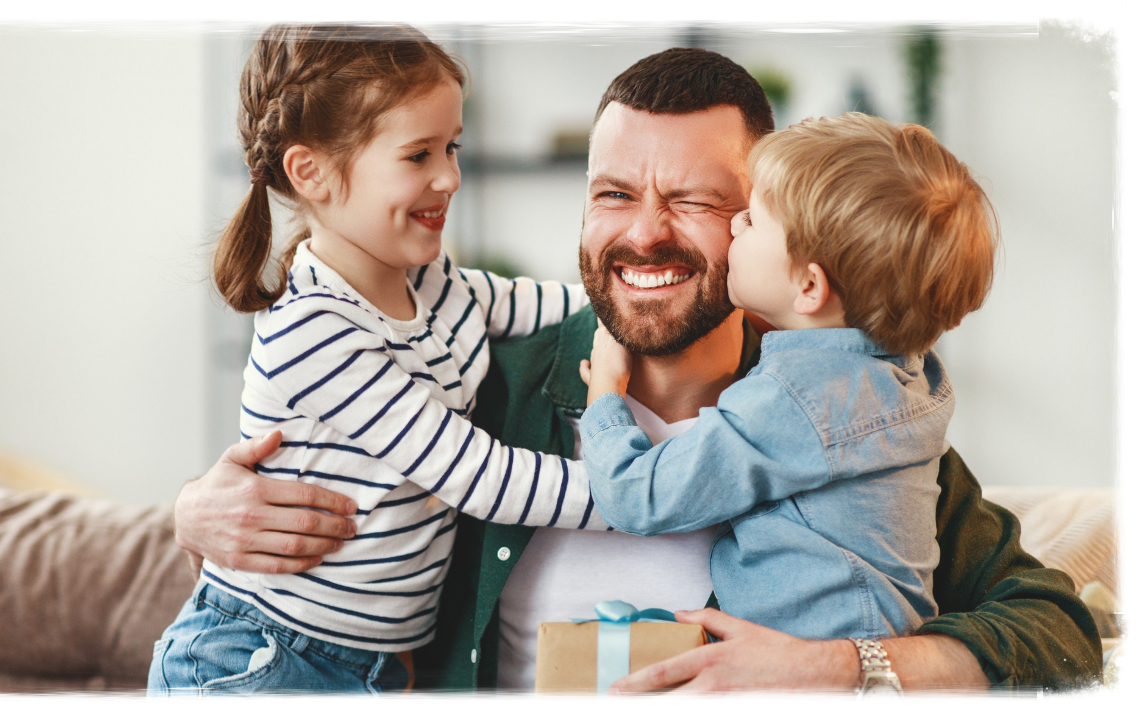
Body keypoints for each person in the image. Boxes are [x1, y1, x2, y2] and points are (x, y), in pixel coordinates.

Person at [173, 47, 1102, 692]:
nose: (644, 232)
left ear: (774, 236)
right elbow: (290, 581)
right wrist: (190, 515)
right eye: (613, 194)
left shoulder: (845, 424)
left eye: (697, 200)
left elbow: (1055, 627)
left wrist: (844, 665)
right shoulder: (486, 381)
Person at [149, 23, 609, 695]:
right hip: (266, 658)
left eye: (451, 147)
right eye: (418, 155)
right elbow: (475, 473)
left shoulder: (431, 281)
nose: (449, 176)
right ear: (312, 172)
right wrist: (640, 490)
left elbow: (563, 306)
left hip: (370, 664)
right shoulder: (314, 330)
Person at [579, 111, 997, 647]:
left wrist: (606, 393)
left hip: (810, 666)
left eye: (751, 219)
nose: (735, 226)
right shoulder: (908, 379)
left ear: (808, 286)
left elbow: (638, 496)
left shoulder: (795, 400)